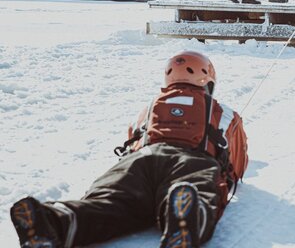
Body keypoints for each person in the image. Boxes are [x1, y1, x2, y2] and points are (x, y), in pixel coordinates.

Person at [9, 51, 248, 248]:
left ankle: (52, 220)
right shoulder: (222, 110)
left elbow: (132, 139)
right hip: (193, 160)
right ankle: (185, 214)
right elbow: (237, 164)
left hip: (139, 161)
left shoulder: (150, 108)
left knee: (109, 203)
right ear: (209, 80)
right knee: (198, 194)